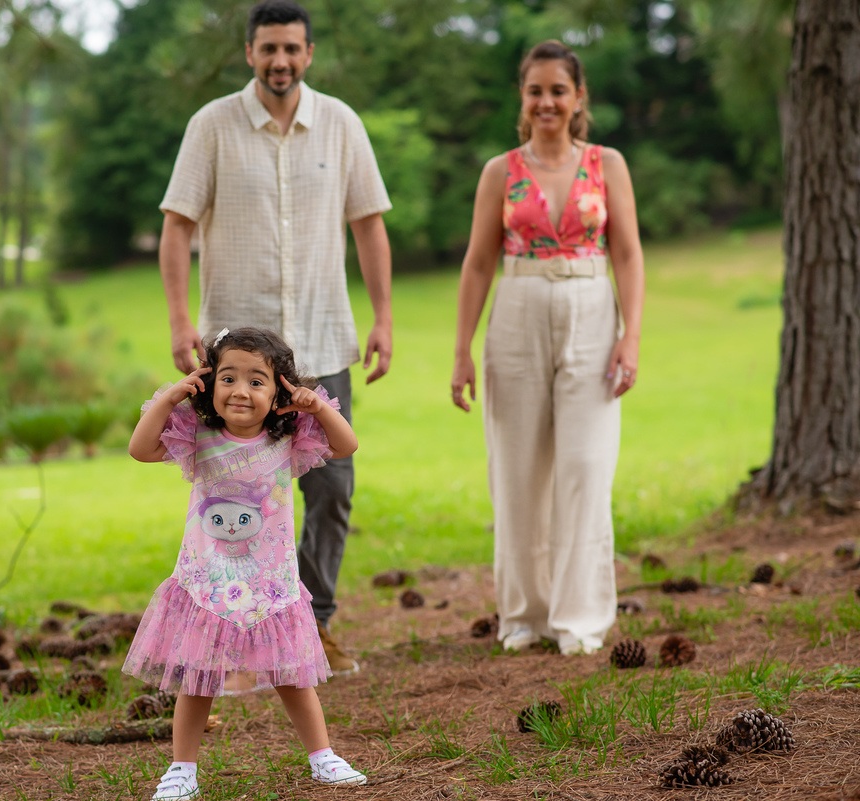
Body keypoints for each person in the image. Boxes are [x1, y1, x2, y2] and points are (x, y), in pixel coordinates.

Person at [158, 0, 393, 675]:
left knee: (331, 488)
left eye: (292, 48)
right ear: (250, 52)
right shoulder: (213, 127)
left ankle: (313, 625)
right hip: (236, 358)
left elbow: (369, 223)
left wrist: (382, 316)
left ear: (309, 53)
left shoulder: (341, 125)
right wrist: (181, 322)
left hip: (320, 344)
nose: (280, 61)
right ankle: (236, 628)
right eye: (268, 49)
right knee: (235, 495)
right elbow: (177, 224)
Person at [450, 40, 645, 657]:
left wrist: (631, 335)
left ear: (579, 97)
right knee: (518, 468)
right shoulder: (499, 171)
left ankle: (581, 619)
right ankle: (525, 615)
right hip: (517, 310)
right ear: (522, 97)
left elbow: (629, 254)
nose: (547, 102)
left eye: (558, 90)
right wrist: (461, 349)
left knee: (586, 466)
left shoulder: (607, 164)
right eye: (535, 90)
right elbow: (479, 263)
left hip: (592, 308)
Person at [123, 327, 367, 800]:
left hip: (271, 585)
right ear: (209, 385)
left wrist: (315, 405)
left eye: (258, 381)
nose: (241, 390)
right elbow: (139, 449)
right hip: (208, 583)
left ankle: (323, 756)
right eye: (228, 378)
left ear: (280, 392)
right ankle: (182, 771)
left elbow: (346, 446)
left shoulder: (289, 437)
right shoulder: (198, 434)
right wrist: (170, 398)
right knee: (199, 679)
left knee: (293, 677)